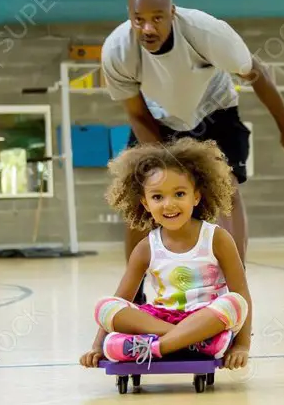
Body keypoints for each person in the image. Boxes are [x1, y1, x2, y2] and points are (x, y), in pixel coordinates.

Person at [101, 0, 284, 278]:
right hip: (157, 118)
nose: (148, 28)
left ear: (172, 13)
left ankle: (234, 286)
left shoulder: (206, 32)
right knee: (142, 196)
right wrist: (165, 162)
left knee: (228, 190)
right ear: (129, 17)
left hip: (216, 112)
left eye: (157, 18)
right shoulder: (118, 51)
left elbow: (258, 73)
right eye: (139, 20)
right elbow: (136, 113)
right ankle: (136, 291)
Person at [80, 137, 251, 370]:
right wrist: (98, 346)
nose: (168, 204)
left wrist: (242, 346)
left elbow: (241, 293)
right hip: (162, 319)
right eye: (158, 197)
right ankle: (192, 342)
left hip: (207, 318)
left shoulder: (217, 238)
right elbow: (122, 298)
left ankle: (154, 348)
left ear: (196, 196)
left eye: (179, 194)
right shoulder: (145, 248)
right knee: (105, 306)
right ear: (146, 203)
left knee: (235, 303)